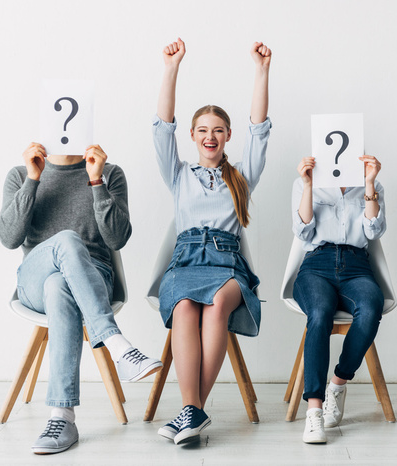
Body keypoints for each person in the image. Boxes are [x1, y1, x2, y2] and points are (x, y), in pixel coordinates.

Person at [0, 143, 162, 455]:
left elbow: (117, 239)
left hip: (93, 276)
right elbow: (8, 237)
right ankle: (118, 346)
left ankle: (62, 417)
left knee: (61, 286)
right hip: (34, 280)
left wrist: (96, 180)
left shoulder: (109, 172)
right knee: (66, 242)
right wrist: (34, 179)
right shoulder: (20, 173)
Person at [152, 38, 272, 445]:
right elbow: (161, 129)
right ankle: (194, 411)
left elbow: (260, 131)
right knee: (185, 306)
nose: (210, 136)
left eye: (218, 130)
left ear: (227, 136)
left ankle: (189, 413)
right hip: (184, 263)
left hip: (228, 266)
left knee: (217, 304)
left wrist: (261, 71)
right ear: (192, 135)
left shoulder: (241, 176)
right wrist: (171, 69)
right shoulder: (178, 174)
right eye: (202, 130)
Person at [291, 154, 385, 444]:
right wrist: (308, 186)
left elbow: (375, 230)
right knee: (319, 314)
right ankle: (314, 411)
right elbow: (303, 231)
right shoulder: (304, 183)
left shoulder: (373, 184)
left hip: (357, 266)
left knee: (370, 309)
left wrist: (369, 183)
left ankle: (338, 383)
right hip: (316, 265)